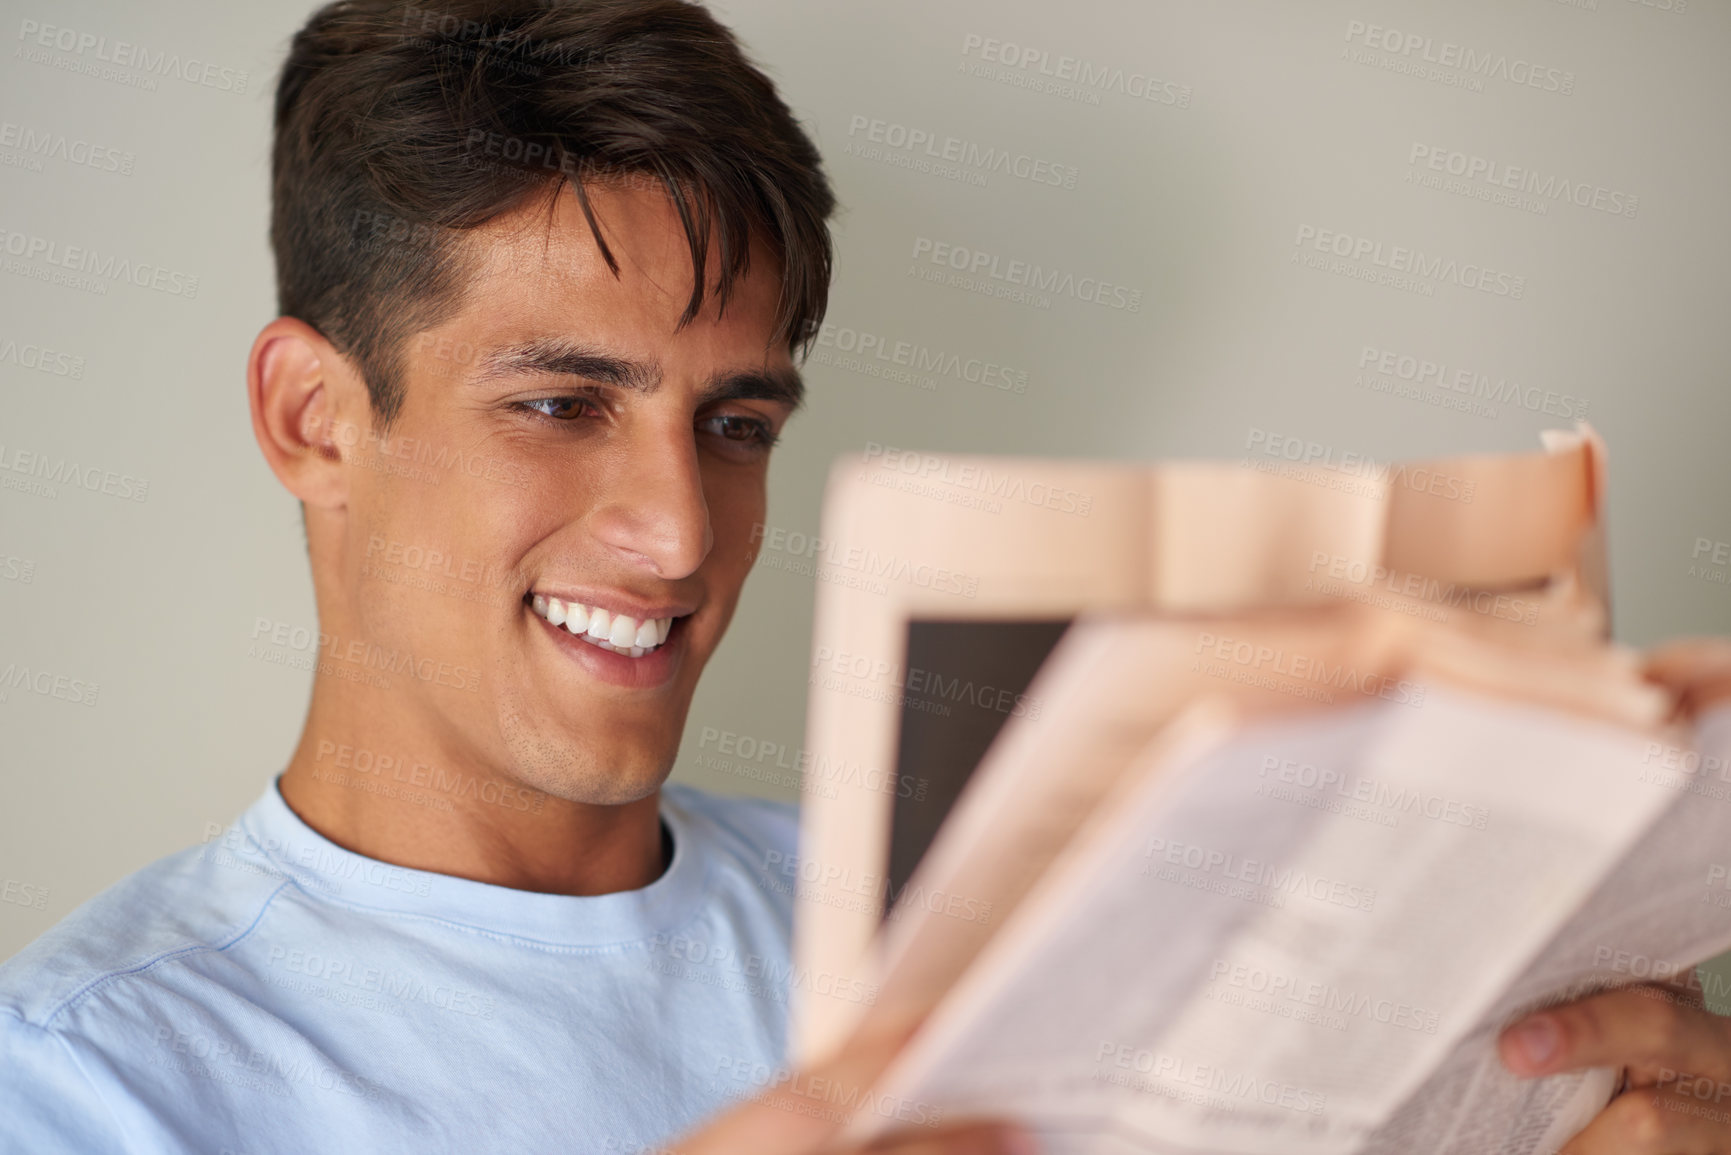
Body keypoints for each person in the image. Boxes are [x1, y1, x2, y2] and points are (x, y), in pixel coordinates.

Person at [0, 3, 1725, 1153]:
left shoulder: (978, 914)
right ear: (314, 419)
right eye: (560, 403)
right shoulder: (96, 1084)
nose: (680, 533)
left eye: (736, 421)